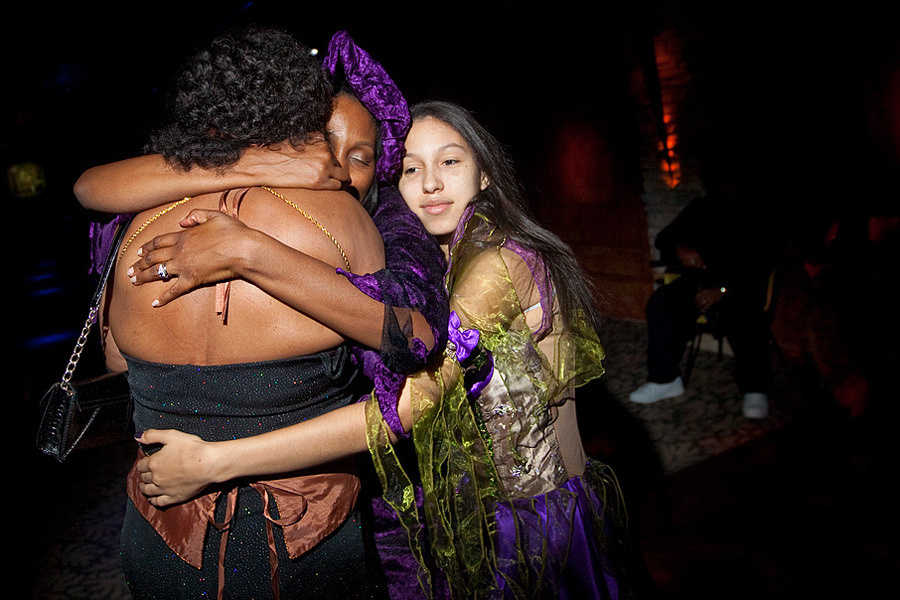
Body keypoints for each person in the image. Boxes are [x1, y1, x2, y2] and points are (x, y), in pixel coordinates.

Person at [126, 101, 634, 600]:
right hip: (468, 524)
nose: (431, 183)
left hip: (531, 532)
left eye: (450, 162)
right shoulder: (425, 263)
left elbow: (409, 406)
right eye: (412, 168)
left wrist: (217, 462)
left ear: (484, 175)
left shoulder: (498, 264)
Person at [77, 31, 448, 600]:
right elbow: (412, 349)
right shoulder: (345, 223)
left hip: (158, 529)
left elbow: (117, 357)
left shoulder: (137, 224)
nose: (338, 169)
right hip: (301, 540)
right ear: (299, 123)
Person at [628, 178, 776, 418]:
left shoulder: (757, 212)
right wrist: (681, 249)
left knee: (747, 314)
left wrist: (723, 290)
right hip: (700, 278)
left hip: (739, 283)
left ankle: (755, 388)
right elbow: (664, 238)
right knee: (662, 303)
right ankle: (665, 379)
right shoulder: (703, 208)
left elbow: (761, 262)